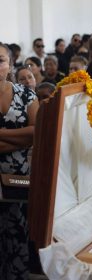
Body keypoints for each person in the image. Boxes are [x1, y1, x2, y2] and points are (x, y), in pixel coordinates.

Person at [0, 43, 39, 278]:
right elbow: (26, 135)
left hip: (19, 181)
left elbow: (36, 132)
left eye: (0, 60)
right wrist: (20, 138)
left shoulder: (25, 94)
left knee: (18, 240)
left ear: (10, 64)